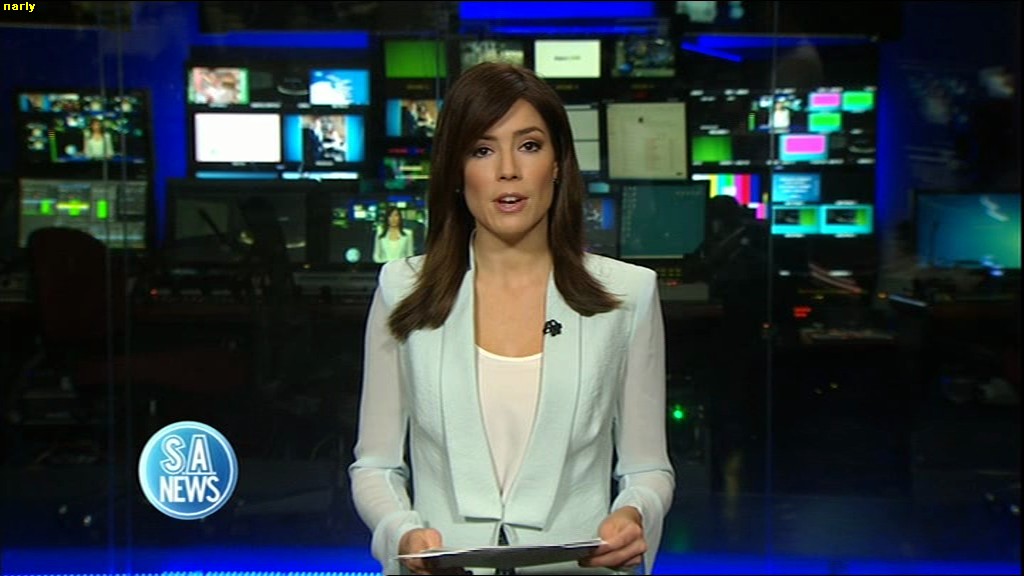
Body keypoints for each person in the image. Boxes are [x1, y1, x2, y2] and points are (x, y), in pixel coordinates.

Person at [349, 62, 675, 575]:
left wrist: (635, 513)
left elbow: (648, 468)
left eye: (528, 145)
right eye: (482, 150)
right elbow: (375, 464)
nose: (507, 170)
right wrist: (401, 532)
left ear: (558, 163)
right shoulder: (402, 289)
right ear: (457, 170)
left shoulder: (627, 295)